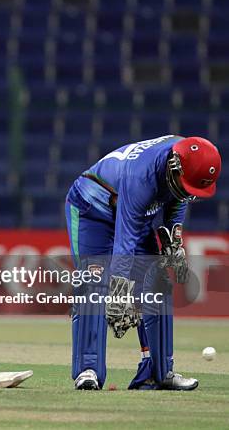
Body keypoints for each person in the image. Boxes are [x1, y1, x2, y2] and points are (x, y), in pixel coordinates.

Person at [65, 135, 222, 390]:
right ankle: (88, 371)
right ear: (174, 166)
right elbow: (125, 241)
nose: (185, 192)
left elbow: (179, 197)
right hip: (91, 208)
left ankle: (157, 374)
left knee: (157, 284)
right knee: (94, 282)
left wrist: (173, 235)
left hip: (131, 209)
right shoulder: (141, 176)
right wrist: (120, 295)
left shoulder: (186, 163)